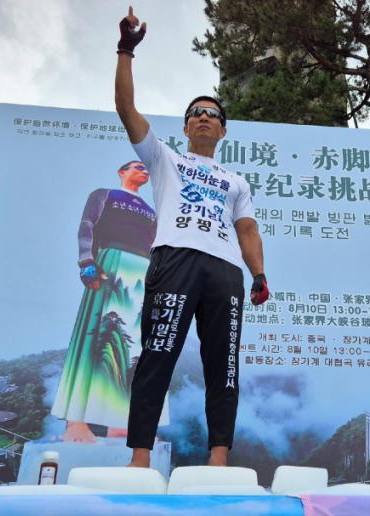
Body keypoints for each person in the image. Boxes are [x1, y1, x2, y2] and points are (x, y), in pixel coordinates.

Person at [115, 7, 270, 468]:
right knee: (158, 352)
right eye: (195, 114)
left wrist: (259, 274)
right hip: (176, 259)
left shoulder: (235, 180)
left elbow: (247, 229)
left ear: (222, 130)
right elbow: (126, 109)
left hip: (224, 270)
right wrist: (125, 50)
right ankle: (140, 457)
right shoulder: (164, 158)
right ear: (185, 127)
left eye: (212, 114)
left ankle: (218, 458)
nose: (203, 118)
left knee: (223, 363)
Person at [51, 160, 169, 442]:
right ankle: (76, 422)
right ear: (122, 172)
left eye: (146, 169)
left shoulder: (151, 211)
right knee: (96, 336)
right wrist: (86, 262)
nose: (143, 171)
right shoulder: (104, 195)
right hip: (111, 265)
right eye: (136, 167)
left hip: (143, 275)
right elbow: (86, 227)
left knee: (136, 347)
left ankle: (121, 422)